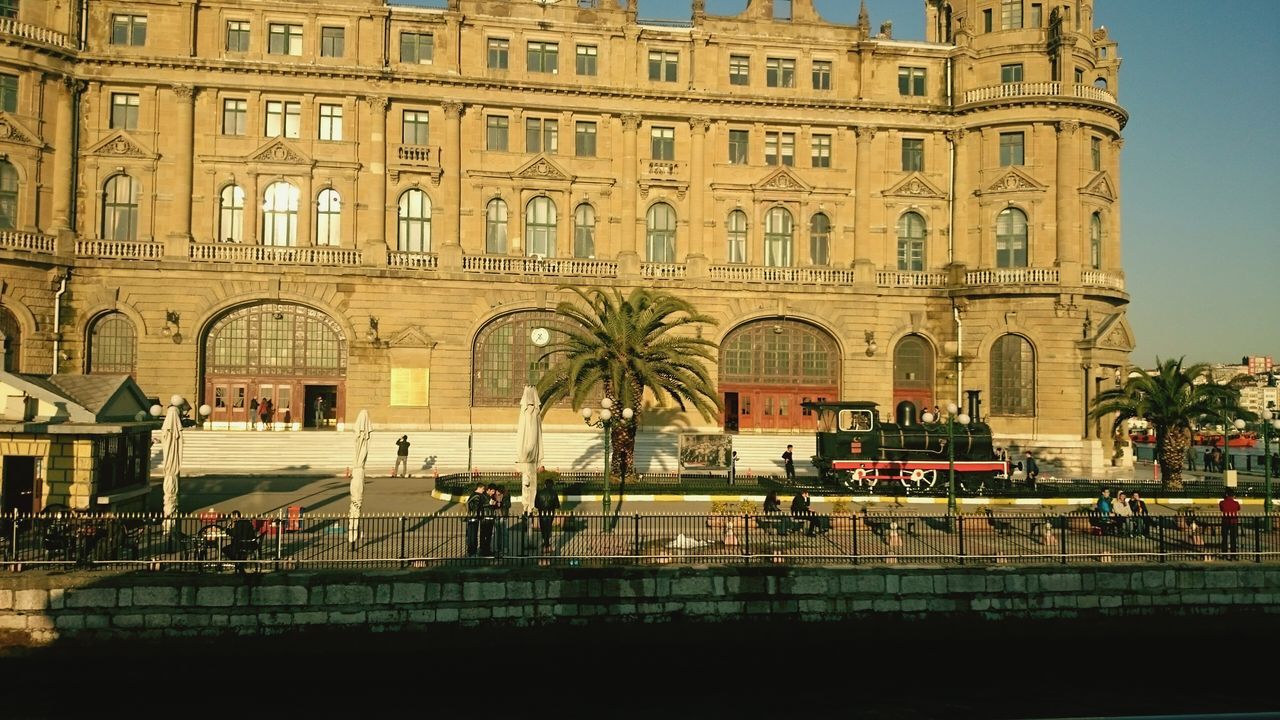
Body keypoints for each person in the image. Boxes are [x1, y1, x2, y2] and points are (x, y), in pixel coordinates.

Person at [534, 478, 560, 551]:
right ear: (552, 485)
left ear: (545, 485)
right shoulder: (554, 493)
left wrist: (541, 506)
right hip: (550, 513)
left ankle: (545, 543)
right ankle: (546, 544)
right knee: (548, 528)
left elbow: (536, 505)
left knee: (543, 528)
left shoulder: (539, 492)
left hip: (542, 513)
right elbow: (557, 505)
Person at [465, 482, 486, 556]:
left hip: (470, 518)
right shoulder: (477, 496)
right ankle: (473, 552)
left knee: (470, 535)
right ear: (479, 488)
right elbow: (476, 508)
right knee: (473, 536)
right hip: (474, 518)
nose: (484, 490)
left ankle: (470, 551)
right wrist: (479, 515)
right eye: (483, 489)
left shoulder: (472, 494)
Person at [1219, 487, 1241, 559]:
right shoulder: (1236, 503)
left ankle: (1224, 554)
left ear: (1226, 494)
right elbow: (1238, 508)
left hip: (1225, 521)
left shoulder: (1222, 503)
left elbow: (1222, 509)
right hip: (1233, 522)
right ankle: (1233, 555)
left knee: (1224, 538)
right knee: (1233, 539)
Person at [491, 486, 511, 558]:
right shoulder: (493, 496)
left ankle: (505, 548)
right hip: (496, 515)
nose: (496, 492)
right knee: (498, 532)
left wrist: (502, 504)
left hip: (503, 515)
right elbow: (492, 505)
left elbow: (508, 504)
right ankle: (498, 548)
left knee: (504, 532)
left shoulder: (506, 495)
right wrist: (495, 504)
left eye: (498, 491)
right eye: (496, 491)